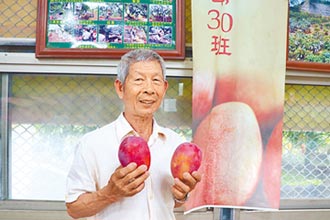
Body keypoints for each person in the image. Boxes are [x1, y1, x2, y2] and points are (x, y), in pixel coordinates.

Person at [65, 49, 201, 220]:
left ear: (164, 88)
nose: (149, 89)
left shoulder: (175, 144)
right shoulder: (92, 144)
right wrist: (110, 192)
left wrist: (182, 194)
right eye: (139, 80)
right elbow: (74, 209)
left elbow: (170, 201)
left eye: (156, 80)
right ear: (120, 88)